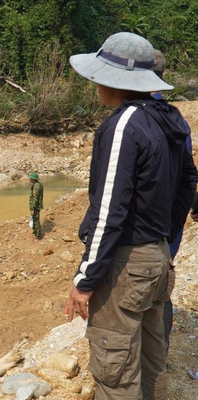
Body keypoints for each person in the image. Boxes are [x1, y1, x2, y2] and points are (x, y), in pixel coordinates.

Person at [63, 32, 198, 400]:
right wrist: (164, 239)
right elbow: (188, 184)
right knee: (152, 361)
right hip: (157, 256)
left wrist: (85, 279)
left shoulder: (124, 125)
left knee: (116, 370)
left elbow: (110, 209)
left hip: (127, 263)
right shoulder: (170, 118)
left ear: (115, 81)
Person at [151, 49, 194, 362]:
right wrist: (177, 224)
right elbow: (188, 178)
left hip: (142, 236)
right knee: (161, 294)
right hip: (168, 231)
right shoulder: (177, 120)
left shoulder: (132, 121)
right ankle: (159, 358)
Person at [28, 172, 43, 240]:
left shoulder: (36, 186)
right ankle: (35, 232)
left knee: (36, 220)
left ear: (33, 179)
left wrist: (32, 208)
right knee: (34, 219)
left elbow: (35, 198)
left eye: (31, 178)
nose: (30, 179)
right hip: (36, 206)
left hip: (35, 207)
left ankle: (38, 236)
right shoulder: (37, 185)